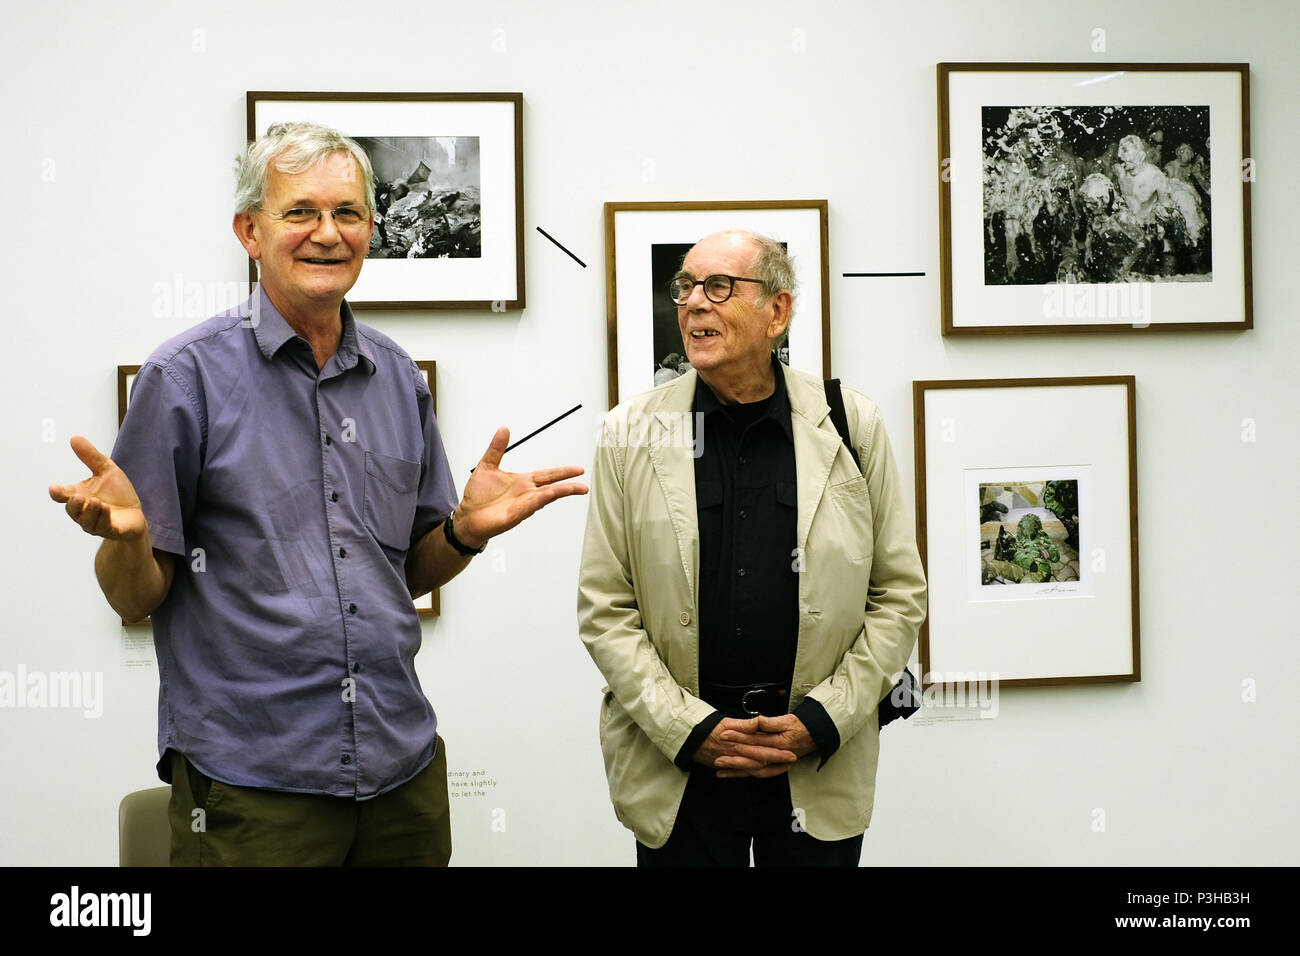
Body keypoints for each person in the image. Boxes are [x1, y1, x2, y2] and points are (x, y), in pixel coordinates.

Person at [48, 122, 587, 866]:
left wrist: (463, 532)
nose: (327, 233)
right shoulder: (185, 379)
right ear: (250, 231)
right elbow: (132, 597)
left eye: (348, 213)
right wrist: (129, 538)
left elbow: (406, 573)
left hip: (402, 775)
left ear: (372, 228)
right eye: (300, 212)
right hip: (250, 786)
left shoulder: (398, 378)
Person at [577, 230, 927, 866]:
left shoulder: (852, 424)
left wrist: (819, 723)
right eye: (685, 287)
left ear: (779, 312)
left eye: (718, 287)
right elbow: (605, 608)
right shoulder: (630, 432)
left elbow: (898, 596)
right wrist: (692, 730)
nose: (694, 305)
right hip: (680, 767)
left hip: (814, 762)